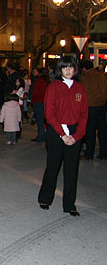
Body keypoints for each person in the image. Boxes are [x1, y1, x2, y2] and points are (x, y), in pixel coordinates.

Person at [38, 56, 88, 216]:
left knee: (71, 170)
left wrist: (77, 135)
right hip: (56, 131)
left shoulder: (80, 88)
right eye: (65, 67)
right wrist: (62, 134)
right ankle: (45, 198)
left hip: (74, 133)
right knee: (52, 166)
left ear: (75, 69)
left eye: (71, 67)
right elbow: (49, 114)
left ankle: (69, 204)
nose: (68, 70)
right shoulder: (53, 87)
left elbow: (84, 114)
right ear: (60, 70)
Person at [79, 60, 107, 161]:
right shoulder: (101, 76)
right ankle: (103, 153)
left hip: (90, 107)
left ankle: (89, 154)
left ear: (84, 69)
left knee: (90, 132)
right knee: (102, 131)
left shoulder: (86, 78)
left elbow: (83, 93)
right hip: (102, 106)